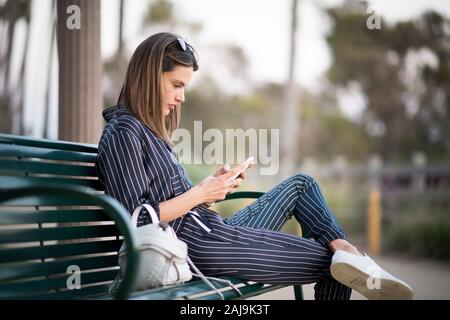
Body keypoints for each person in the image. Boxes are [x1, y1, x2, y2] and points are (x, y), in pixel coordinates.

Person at [95, 32, 413, 300]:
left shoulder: (148, 131)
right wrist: (199, 194)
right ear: (150, 76)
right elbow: (135, 219)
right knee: (337, 265)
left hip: (211, 232)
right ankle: (348, 254)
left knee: (301, 185)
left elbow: (166, 202)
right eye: (176, 85)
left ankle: (344, 245)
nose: (181, 97)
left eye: (185, 88)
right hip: (196, 248)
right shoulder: (125, 132)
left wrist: (210, 191)